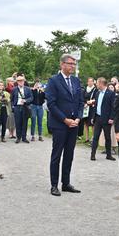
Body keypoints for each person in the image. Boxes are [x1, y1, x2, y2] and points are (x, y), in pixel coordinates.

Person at [45, 54, 84, 196]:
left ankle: (66, 183)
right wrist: (64, 119)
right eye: (70, 63)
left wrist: (79, 118)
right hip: (60, 124)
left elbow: (80, 102)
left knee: (69, 155)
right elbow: (51, 104)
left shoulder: (75, 81)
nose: (73, 66)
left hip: (74, 124)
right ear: (62, 64)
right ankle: (54, 185)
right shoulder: (53, 81)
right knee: (57, 155)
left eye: (74, 64)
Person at [89, 77, 116, 161]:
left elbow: (113, 107)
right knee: (95, 137)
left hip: (107, 118)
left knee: (107, 137)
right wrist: (93, 117)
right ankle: (92, 154)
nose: (96, 84)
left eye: (97, 83)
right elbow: (96, 106)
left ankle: (109, 154)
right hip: (98, 118)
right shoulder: (97, 93)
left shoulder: (110, 93)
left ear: (101, 83)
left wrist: (111, 118)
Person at [10, 75, 32, 143]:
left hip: (25, 107)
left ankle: (24, 138)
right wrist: (13, 106)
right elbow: (11, 99)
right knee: (18, 122)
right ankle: (18, 137)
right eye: (19, 81)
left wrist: (26, 101)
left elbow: (31, 98)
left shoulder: (27, 89)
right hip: (17, 107)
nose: (21, 82)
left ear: (24, 81)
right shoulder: (14, 89)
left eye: (22, 81)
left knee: (24, 123)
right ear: (17, 82)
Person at [82, 77, 96, 143]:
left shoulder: (95, 90)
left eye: (91, 81)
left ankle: (93, 138)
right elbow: (82, 98)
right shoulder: (85, 89)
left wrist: (91, 102)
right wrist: (85, 103)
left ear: (93, 82)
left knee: (92, 123)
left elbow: (96, 98)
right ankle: (86, 138)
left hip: (92, 108)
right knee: (85, 123)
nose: (90, 83)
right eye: (89, 81)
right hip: (86, 108)